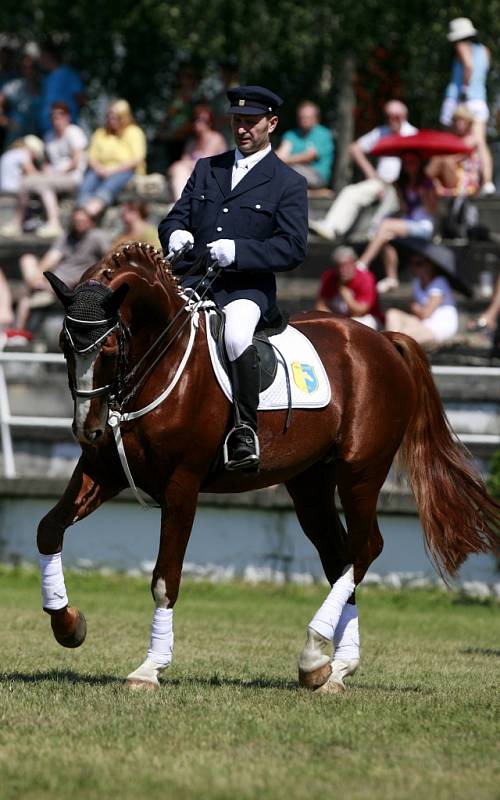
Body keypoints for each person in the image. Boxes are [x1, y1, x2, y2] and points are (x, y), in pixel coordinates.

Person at [158, 84, 308, 471]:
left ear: (271, 124)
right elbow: (176, 217)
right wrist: (175, 233)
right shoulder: (208, 168)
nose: (242, 129)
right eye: (237, 121)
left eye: (251, 122)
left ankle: (244, 430)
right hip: (193, 280)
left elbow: (292, 248)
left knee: (235, 335)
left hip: (245, 288)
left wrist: (240, 252)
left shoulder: (288, 183)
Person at [309, 100, 417, 241]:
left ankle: (367, 242)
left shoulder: (413, 134)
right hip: (379, 182)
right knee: (350, 192)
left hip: (400, 186)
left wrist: (398, 186)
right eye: (389, 116)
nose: (392, 120)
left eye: (396, 116)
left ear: (404, 116)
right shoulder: (381, 132)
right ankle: (331, 227)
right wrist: (371, 174)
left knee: (384, 211)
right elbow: (355, 148)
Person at [1, 102, 88, 238]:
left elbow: (76, 161)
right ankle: (16, 224)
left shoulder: (74, 132)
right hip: (53, 177)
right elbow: (47, 163)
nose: (56, 120)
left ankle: (54, 223)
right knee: (26, 181)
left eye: (60, 115)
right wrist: (47, 172)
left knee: (42, 183)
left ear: (68, 117)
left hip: (72, 177)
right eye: (53, 116)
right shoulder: (49, 137)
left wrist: (55, 173)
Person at [15, 207, 108, 329]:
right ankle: (36, 286)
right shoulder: (67, 237)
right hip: (53, 278)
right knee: (27, 259)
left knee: (26, 297)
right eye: (76, 221)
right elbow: (51, 258)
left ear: (91, 221)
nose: (78, 224)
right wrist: (38, 276)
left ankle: (19, 329)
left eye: (82, 221)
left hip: (70, 284)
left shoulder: (96, 237)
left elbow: (107, 257)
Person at [356, 152, 437, 292]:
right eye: (406, 163)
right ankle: (392, 278)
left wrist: (424, 196)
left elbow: (433, 211)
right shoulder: (403, 183)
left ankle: (362, 264)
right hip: (408, 223)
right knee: (386, 239)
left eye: (412, 162)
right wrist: (399, 191)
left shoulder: (427, 183)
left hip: (424, 226)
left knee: (386, 225)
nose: (409, 166)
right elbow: (404, 209)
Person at [439, 17, 495, 195]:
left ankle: (451, 180)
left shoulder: (461, 47)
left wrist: (463, 91)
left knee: (449, 142)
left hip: (461, 99)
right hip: (480, 100)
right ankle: (486, 182)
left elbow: (469, 66)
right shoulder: (485, 50)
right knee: (480, 143)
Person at [385, 240, 468, 347]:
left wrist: (414, 306)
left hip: (438, 327)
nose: (415, 268)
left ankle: (391, 350)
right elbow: (418, 310)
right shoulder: (417, 282)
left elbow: (425, 313)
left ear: (430, 265)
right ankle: (392, 348)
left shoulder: (439, 282)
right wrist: (415, 307)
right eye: (413, 264)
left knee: (401, 336)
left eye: (419, 264)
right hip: (423, 323)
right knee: (392, 314)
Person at [77, 100, 146, 217]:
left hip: (125, 171)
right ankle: (82, 206)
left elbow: (137, 159)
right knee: (90, 177)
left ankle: (94, 207)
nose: (110, 120)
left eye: (115, 117)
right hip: (100, 170)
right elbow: (91, 157)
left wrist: (111, 170)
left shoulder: (134, 132)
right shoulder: (100, 133)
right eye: (109, 116)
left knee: (119, 177)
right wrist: (99, 169)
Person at [167, 104, 227, 200]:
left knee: (179, 168)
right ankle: (180, 202)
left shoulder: (216, 138)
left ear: (210, 122)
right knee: (179, 170)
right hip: (194, 177)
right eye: (195, 119)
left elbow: (205, 163)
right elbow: (184, 162)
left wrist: (179, 165)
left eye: (202, 119)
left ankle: (179, 202)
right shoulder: (192, 143)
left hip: (213, 178)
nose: (197, 122)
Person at [315, 245, 383, 329]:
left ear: (354, 263)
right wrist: (333, 319)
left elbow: (359, 312)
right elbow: (321, 306)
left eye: (346, 266)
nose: (342, 270)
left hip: (367, 319)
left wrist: (344, 291)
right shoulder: (329, 277)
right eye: (339, 266)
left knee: (354, 324)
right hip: (339, 319)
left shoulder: (366, 278)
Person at [275, 100, 334, 189]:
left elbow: (309, 156)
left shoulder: (323, 134)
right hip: (293, 171)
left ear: (316, 118)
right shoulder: (291, 135)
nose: (305, 120)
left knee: (288, 172)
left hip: (317, 175)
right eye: (302, 117)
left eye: (308, 117)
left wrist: (285, 160)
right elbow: (280, 155)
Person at [38, 41, 85, 136]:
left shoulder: (68, 73)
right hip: (47, 130)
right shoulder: (46, 78)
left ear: (49, 56)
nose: (40, 60)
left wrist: (70, 117)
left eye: (42, 56)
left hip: (65, 129)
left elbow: (81, 98)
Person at [0, 52, 42, 148]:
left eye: (31, 67)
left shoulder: (44, 85)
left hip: (38, 137)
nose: (28, 70)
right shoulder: (15, 86)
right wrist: (5, 122)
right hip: (16, 138)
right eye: (25, 67)